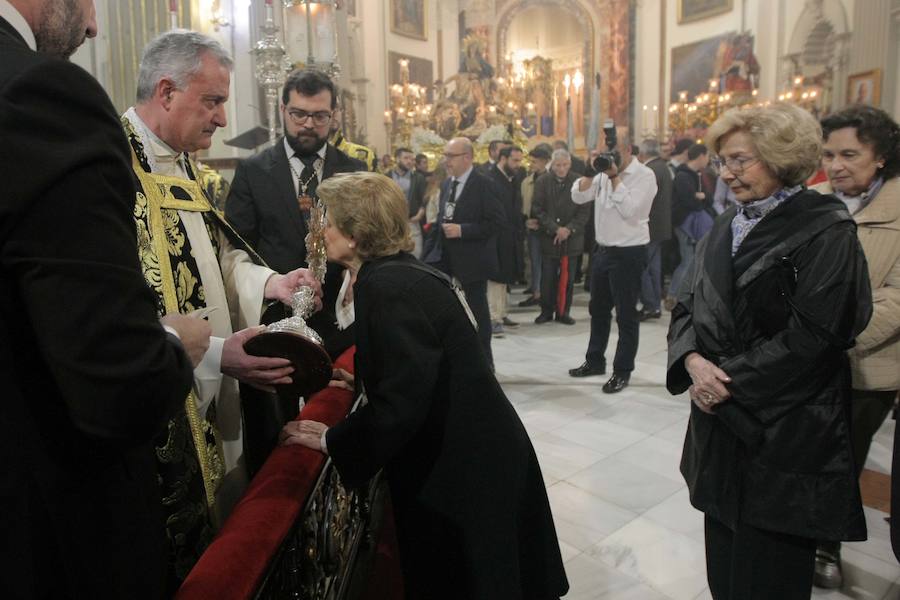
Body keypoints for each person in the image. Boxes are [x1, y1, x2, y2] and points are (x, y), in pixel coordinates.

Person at [0, 2, 212, 597]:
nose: (94, 25)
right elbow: (115, 381)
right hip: (44, 531)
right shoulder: (40, 94)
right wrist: (177, 341)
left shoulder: (197, 173)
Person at [280, 171, 569, 600]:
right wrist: (361, 379)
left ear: (356, 234)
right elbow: (417, 365)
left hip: (466, 471)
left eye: (330, 220)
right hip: (474, 452)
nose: (321, 229)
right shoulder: (399, 273)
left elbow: (402, 404)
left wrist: (335, 441)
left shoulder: (386, 286)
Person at [124, 30, 322, 585]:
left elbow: (218, 254)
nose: (220, 119)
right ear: (167, 91)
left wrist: (272, 283)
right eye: (211, 102)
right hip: (166, 390)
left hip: (216, 375)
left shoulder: (185, 163)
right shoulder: (112, 168)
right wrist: (216, 355)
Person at [667, 104, 872, 600]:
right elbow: (686, 305)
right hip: (720, 424)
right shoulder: (726, 224)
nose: (727, 174)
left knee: (769, 575)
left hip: (785, 428)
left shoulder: (826, 229)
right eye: (722, 162)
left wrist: (725, 383)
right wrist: (693, 362)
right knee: (725, 572)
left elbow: (815, 337)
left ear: (781, 156)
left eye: (740, 160)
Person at [810, 104, 900, 589]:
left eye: (850, 154)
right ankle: (800, 531)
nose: (837, 164)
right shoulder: (814, 199)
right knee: (806, 451)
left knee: (845, 459)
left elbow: (896, 300)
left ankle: (828, 544)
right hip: (804, 359)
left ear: (880, 156)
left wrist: (829, 339)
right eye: (829, 154)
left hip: (867, 364)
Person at [568, 140, 657, 393]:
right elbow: (578, 195)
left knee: (626, 314)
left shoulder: (644, 175)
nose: (609, 158)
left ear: (628, 150)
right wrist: (590, 170)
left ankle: (622, 370)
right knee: (598, 310)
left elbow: (631, 211)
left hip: (629, 252)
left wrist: (615, 176)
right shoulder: (601, 174)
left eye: (614, 153)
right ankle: (595, 361)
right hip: (603, 251)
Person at [423, 137, 505, 366]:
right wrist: (426, 256)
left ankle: (485, 364)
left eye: (451, 156)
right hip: (444, 256)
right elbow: (441, 220)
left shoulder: (484, 184)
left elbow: (497, 222)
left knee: (478, 311)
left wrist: (463, 230)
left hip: (472, 259)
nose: (446, 161)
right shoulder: (448, 183)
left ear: (468, 157)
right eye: (446, 155)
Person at [532, 149, 589, 325]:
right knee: (548, 277)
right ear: (552, 164)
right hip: (549, 237)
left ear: (570, 164)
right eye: (558, 165)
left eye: (565, 165)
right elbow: (537, 209)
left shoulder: (579, 181)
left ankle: (563, 312)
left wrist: (568, 229)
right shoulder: (543, 181)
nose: (561, 168)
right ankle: (546, 311)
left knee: (568, 277)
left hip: (571, 238)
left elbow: (584, 211)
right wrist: (555, 228)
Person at [666, 143, 713, 310]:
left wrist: (701, 196)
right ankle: (673, 295)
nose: (708, 160)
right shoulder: (683, 176)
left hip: (694, 223)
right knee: (688, 259)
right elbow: (690, 201)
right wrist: (699, 197)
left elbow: (709, 198)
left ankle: (685, 293)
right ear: (701, 156)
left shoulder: (697, 175)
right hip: (684, 223)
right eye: (707, 156)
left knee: (693, 259)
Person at [485, 145, 526, 336]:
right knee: (495, 276)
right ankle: (493, 318)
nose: (518, 165)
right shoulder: (490, 178)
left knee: (505, 275)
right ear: (503, 158)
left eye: (519, 160)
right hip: (495, 235)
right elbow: (493, 210)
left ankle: (502, 313)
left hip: (509, 234)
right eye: (515, 160)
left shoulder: (513, 177)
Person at [638, 138, 674, 320]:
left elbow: (644, 200)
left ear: (643, 153)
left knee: (645, 267)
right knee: (654, 267)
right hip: (660, 226)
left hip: (649, 226)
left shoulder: (650, 170)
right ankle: (654, 305)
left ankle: (651, 305)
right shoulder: (663, 167)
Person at [519, 145, 551, 308]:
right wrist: (526, 220)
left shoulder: (551, 180)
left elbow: (554, 205)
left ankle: (547, 294)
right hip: (532, 227)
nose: (531, 164)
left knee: (549, 263)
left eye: (535, 162)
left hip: (548, 227)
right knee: (534, 260)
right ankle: (536, 292)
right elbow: (524, 204)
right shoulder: (527, 181)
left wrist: (543, 222)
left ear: (545, 162)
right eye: (530, 161)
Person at [390, 147, 427, 258]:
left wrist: (419, 215)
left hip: (412, 223)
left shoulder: (418, 178)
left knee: (416, 256)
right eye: (406, 158)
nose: (410, 161)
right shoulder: (386, 177)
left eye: (412, 159)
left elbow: (424, 200)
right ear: (397, 159)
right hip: (392, 225)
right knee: (394, 257)